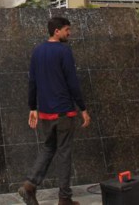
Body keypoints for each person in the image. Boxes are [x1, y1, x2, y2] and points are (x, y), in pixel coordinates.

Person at [18, 16, 90, 205]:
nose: (69, 33)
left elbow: (32, 82)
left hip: (45, 113)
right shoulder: (63, 51)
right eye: (67, 29)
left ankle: (29, 185)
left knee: (48, 148)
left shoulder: (37, 52)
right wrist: (83, 108)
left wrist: (32, 107)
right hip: (64, 112)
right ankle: (64, 198)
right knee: (64, 153)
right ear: (56, 31)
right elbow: (72, 82)